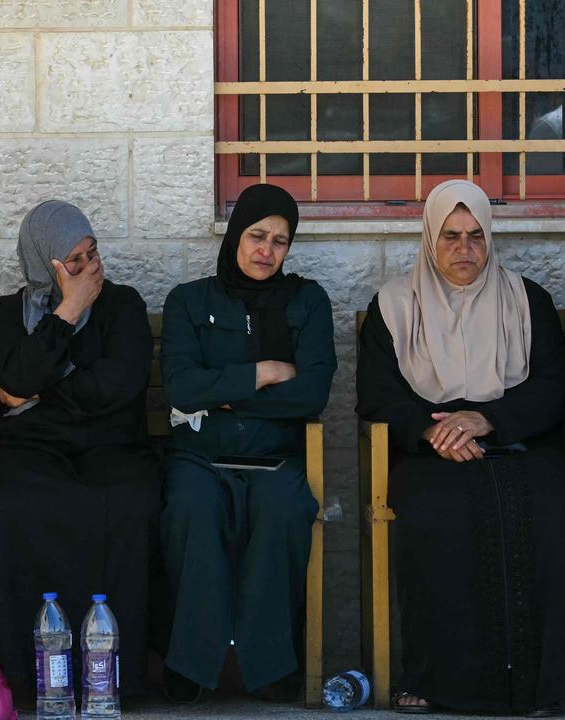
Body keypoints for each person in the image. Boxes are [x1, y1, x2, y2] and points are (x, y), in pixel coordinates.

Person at [356, 179, 565, 716]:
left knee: (552, 511)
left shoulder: (526, 300)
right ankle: (434, 679)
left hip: (516, 444)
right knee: (434, 516)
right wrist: (433, 432)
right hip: (431, 455)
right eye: (450, 236)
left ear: (489, 238)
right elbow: (377, 396)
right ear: (430, 238)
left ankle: (546, 685)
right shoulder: (393, 305)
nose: (464, 250)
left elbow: (553, 386)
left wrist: (487, 419)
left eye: (475, 236)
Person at [0, 200, 161, 702]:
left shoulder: (124, 306)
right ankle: (23, 678)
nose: (88, 269)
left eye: (92, 254)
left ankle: (117, 680)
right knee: (10, 505)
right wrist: (68, 311)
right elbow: (18, 380)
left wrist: (36, 393)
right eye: (72, 262)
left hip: (111, 447)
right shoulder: (4, 315)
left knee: (130, 502)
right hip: (29, 451)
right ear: (43, 261)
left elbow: (117, 388)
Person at [159, 183, 335, 703]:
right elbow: (181, 387)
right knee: (191, 508)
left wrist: (227, 394)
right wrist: (261, 373)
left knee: (282, 511)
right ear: (236, 234)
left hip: (276, 457)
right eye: (257, 235)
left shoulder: (308, 300)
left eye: (280, 241)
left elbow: (311, 393)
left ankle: (272, 667)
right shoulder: (189, 301)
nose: (267, 250)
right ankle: (192, 664)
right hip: (201, 456)